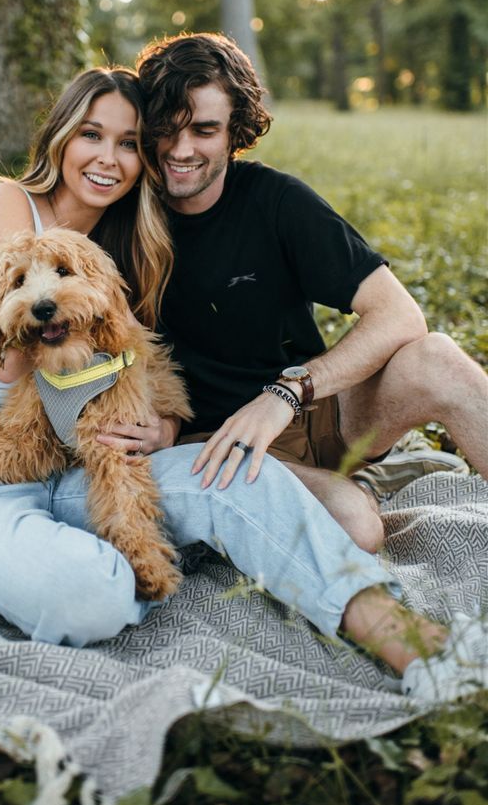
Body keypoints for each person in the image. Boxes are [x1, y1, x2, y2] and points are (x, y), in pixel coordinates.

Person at [0, 64, 487, 701]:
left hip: (83, 461)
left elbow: (140, 364)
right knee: (88, 595)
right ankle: (46, 555)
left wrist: (167, 420)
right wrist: (70, 289)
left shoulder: (125, 239)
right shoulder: (11, 207)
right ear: (61, 137)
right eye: (92, 135)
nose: (110, 158)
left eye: (127, 143)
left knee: (236, 475)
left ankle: (417, 646)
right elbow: (8, 360)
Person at [97, 31, 487, 560]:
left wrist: (286, 393)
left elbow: (398, 314)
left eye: (205, 130)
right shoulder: (119, 219)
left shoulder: (277, 200)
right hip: (208, 442)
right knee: (355, 530)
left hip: (312, 409)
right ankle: (357, 487)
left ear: (236, 131)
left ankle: (363, 472)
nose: (181, 150)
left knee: (437, 358)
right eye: (166, 130)